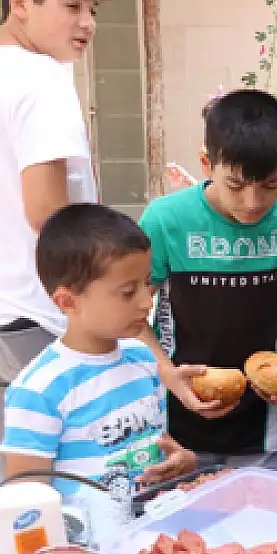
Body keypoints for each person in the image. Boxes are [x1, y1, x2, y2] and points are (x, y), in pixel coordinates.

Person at [137, 89, 277, 469]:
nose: (253, 203)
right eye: (236, 185)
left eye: (271, 185)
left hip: (263, 429)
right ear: (206, 163)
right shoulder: (164, 222)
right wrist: (165, 369)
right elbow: (130, 315)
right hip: (175, 417)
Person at [1, 203, 196, 505]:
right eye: (129, 292)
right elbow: (27, 504)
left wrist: (182, 462)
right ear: (68, 302)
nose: (147, 302)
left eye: (147, 285)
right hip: (85, 549)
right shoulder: (38, 391)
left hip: (152, 537)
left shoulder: (143, 359)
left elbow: (157, 447)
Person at [0, 0, 99, 476]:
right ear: (20, 4)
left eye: (94, 9)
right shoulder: (42, 79)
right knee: (55, 499)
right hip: (40, 318)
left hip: (9, 318)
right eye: (73, 6)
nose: (87, 23)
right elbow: (49, 213)